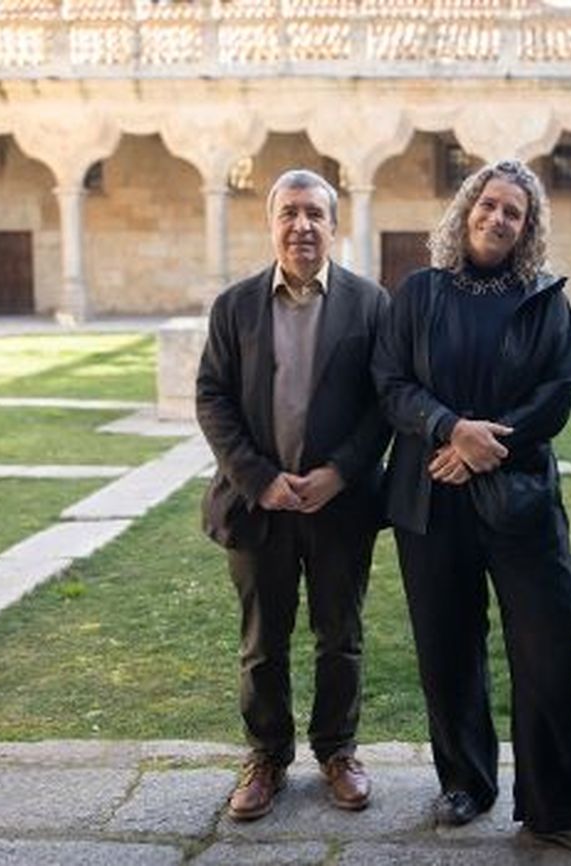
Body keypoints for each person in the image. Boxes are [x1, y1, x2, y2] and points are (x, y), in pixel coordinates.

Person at [372, 159, 571, 861]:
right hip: (433, 494)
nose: (499, 218)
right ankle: (466, 783)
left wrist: (484, 444)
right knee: (447, 646)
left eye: (515, 211)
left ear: (528, 226)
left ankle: (558, 808)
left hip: (520, 500)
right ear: (466, 210)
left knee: (551, 644)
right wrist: (451, 428)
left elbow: (557, 395)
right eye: (489, 204)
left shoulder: (545, 299)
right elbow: (390, 383)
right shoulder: (418, 293)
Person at [195, 169, 391, 821]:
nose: (302, 225)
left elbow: (384, 403)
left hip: (341, 506)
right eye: (290, 212)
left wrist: (341, 472)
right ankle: (266, 756)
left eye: (315, 213)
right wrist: (260, 478)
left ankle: (338, 751)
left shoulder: (369, 305)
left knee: (341, 636)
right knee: (262, 641)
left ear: (335, 226)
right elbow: (213, 397)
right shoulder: (235, 306)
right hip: (259, 506)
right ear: (272, 222)